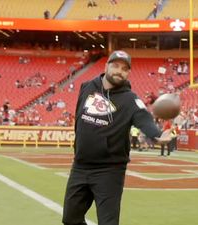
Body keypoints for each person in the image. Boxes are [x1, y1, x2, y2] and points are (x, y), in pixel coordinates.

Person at [62, 50, 172, 225]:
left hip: (109, 171)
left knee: (108, 223)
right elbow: (78, 118)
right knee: (70, 219)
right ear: (106, 66)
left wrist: (157, 135)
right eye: (115, 66)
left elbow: (144, 118)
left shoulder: (130, 100)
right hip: (80, 166)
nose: (119, 71)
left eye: (124, 69)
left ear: (128, 73)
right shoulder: (87, 87)